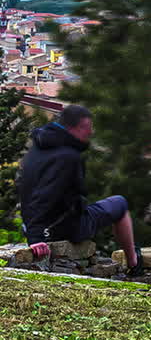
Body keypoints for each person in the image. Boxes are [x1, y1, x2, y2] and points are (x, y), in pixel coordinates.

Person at [18, 105, 142, 273]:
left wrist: (32, 230)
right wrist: (36, 237)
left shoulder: (38, 148)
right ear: (75, 128)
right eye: (87, 128)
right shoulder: (68, 157)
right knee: (120, 203)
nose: (90, 133)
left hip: (36, 224)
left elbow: (28, 191)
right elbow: (46, 195)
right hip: (64, 227)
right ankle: (134, 263)